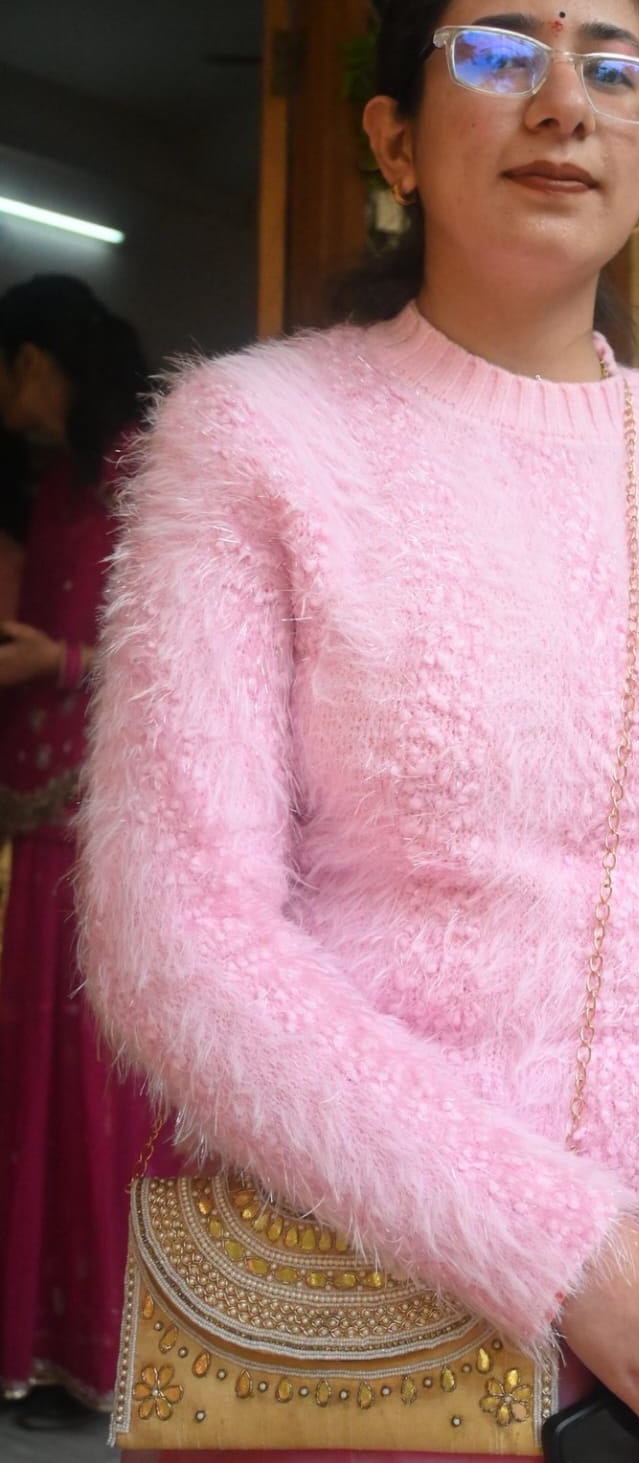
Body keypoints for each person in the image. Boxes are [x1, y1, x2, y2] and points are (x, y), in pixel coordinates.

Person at [78, 0, 639, 1463]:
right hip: (386, 1306)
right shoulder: (262, 440)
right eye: (498, 55)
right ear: (394, 138)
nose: (562, 103)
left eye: (615, 70)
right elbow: (174, 934)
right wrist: (573, 1256)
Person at [0, 276, 175, 1427]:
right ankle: (44, 1343)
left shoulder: (137, 478)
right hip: (36, 822)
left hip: (104, 827)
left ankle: (112, 1353)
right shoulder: (56, 485)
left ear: (38, 362)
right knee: (35, 1084)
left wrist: (56, 662)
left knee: (95, 1086)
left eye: (6, 372)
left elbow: (176, 648)